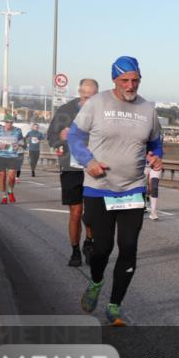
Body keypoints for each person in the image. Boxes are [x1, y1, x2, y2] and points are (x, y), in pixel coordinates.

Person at [69, 58, 162, 326]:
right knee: (102, 248)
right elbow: (75, 137)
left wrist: (156, 156)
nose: (130, 85)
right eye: (125, 81)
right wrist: (89, 162)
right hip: (99, 188)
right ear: (114, 80)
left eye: (135, 80)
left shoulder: (147, 109)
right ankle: (96, 282)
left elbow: (156, 142)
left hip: (132, 188)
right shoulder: (97, 103)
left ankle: (115, 306)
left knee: (129, 246)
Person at [48, 79, 99, 267]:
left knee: (92, 214)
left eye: (92, 98)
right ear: (79, 93)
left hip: (94, 168)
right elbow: (51, 137)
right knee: (76, 213)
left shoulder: (102, 111)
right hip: (71, 168)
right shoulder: (65, 111)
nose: (88, 102)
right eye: (85, 97)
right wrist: (60, 138)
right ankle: (75, 251)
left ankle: (89, 242)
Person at [0, 115, 25, 204]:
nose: (8, 124)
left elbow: (22, 141)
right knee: (2, 176)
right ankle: (4, 195)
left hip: (13, 156)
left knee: (12, 176)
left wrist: (19, 145)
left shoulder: (18, 131)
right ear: (4, 122)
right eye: (7, 122)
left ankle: (10, 191)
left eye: (10, 122)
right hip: (1, 156)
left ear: (12, 123)